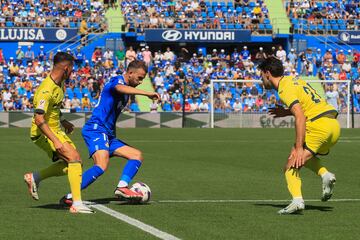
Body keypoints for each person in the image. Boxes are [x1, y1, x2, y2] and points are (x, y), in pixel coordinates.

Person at [60, 60, 160, 205]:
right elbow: (119, 88)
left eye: (143, 79)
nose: (140, 82)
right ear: (130, 73)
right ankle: (70, 196)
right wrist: (146, 93)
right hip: (96, 129)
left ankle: (122, 187)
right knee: (101, 164)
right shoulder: (117, 81)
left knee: (136, 155)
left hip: (108, 134)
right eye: (139, 78)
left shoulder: (127, 91)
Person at [258, 57, 340, 214]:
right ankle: (325, 175)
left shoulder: (284, 88)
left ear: (268, 73)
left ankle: (297, 201)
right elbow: (309, 104)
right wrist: (286, 111)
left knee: (291, 164)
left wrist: (298, 147)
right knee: (306, 159)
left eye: (261, 75)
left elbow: (300, 116)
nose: (262, 79)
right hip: (333, 126)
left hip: (318, 126)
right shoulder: (294, 80)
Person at [23, 52, 93, 214]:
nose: (72, 72)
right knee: (74, 159)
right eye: (72, 69)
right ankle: (77, 203)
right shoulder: (46, 90)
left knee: (74, 164)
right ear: (66, 68)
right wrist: (55, 140)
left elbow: (53, 108)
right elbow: (40, 120)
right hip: (42, 133)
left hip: (55, 128)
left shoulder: (60, 83)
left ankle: (35, 177)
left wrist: (63, 121)